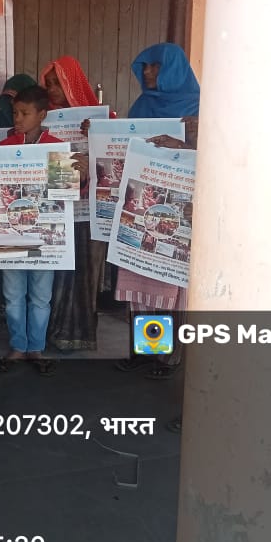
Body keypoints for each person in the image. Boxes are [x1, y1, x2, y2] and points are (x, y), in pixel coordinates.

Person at [115, 42, 200, 379]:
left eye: (156, 66)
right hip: (141, 210)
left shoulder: (199, 108)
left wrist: (184, 146)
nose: (148, 72)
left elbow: (218, 158)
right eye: (146, 66)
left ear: (174, 69)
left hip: (179, 214)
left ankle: (169, 357)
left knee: (170, 286)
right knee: (142, 282)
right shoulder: (142, 106)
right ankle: (146, 351)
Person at [0, 86, 62, 375]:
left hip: (45, 238)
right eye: (15, 112)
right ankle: (18, 346)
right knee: (13, 294)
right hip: (10, 236)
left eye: (24, 113)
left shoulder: (57, 148)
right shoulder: (3, 148)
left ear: (42, 115)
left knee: (41, 296)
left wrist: (78, 173)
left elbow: (70, 192)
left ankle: (36, 348)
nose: (17, 118)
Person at [40, 56, 109, 352]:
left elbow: (113, 160)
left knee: (85, 273)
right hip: (60, 207)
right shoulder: (43, 119)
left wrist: (98, 135)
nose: (53, 89)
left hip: (89, 210)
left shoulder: (101, 121)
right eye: (48, 84)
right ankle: (52, 331)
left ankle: (81, 333)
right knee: (58, 272)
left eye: (58, 82)